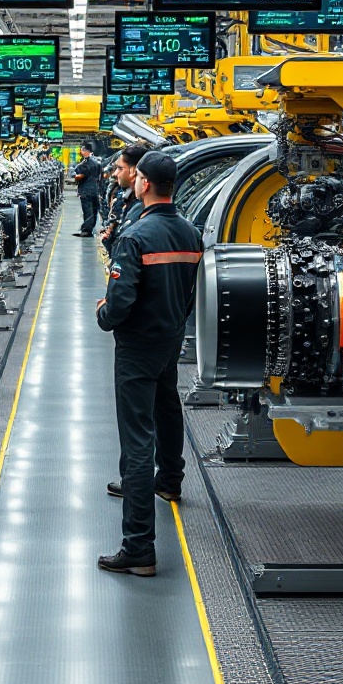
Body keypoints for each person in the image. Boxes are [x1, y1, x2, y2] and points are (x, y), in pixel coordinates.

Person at [94, 150, 203, 577]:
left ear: (143, 183)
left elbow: (120, 302)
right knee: (167, 405)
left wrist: (103, 314)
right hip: (169, 336)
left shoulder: (136, 237)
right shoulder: (191, 232)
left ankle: (139, 546)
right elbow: (190, 292)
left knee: (137, 441)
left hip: (137, 345)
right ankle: (170, 480)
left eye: (134, 175)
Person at [100, 143, 149, 255]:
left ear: (134, 171)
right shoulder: (130, 201)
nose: (115, 173)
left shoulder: (139, 210)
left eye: (120, 168)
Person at [72, 141, 102, 237]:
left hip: (86, 190)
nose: (81, 152)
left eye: (81, 150)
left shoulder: (87, 162)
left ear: (85, 150)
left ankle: (86, 230)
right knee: (94, 210)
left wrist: (75, 178)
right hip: (96, 189)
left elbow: (81, 176)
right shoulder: (98, 161)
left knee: (87, 210)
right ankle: (91, 228)